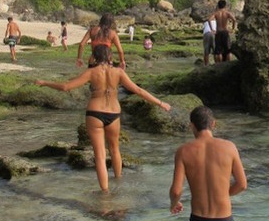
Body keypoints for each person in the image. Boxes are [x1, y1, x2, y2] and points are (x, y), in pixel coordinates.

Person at [36, 45, 171, 192]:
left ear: (94, 57)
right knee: (115, 150)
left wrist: (45, 83)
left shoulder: (91, 72)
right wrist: (160, 103)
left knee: (100, 156)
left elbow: (65, 87)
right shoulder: (119, 72)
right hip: (114, 114)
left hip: (95, 113)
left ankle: (105, 194)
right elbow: (138, 90)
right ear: (110, 57)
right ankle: (118, 184)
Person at [169, 106, 247, 221]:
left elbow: (176, 190)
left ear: (192, 125)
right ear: (213, 124)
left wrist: (174, 204)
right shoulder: (229, 147)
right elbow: (242, 184)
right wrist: (225, 194)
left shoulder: (183, 151)